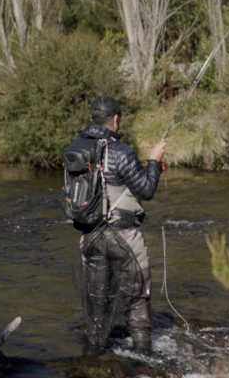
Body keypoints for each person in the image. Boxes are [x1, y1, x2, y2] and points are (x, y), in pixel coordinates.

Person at [71, 96, 166, 355]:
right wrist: (155, 162)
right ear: (115, 120)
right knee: (136, 300)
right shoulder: (122, 152)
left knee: (96, 305)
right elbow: (146, 190)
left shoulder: (74, 149)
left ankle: (93, 361)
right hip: (123, 235)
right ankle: (143, 360)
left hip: (89, 236)